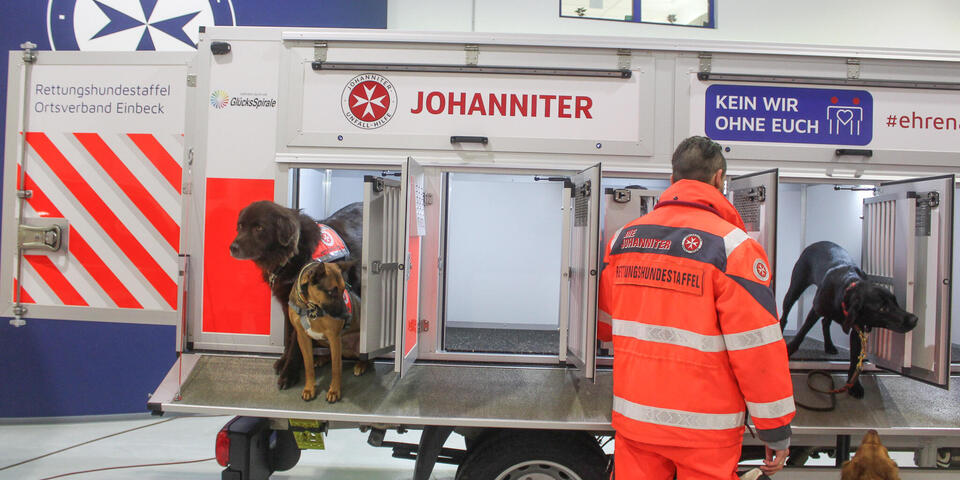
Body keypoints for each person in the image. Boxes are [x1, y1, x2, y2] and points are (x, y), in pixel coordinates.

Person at [598, 136, 795, 479]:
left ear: (673, 178)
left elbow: (606, 323)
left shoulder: (623, 240)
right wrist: (774, 428)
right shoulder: (734, 248)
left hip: (636, 419)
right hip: (705, 430)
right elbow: (757, 348)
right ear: (719, 178)